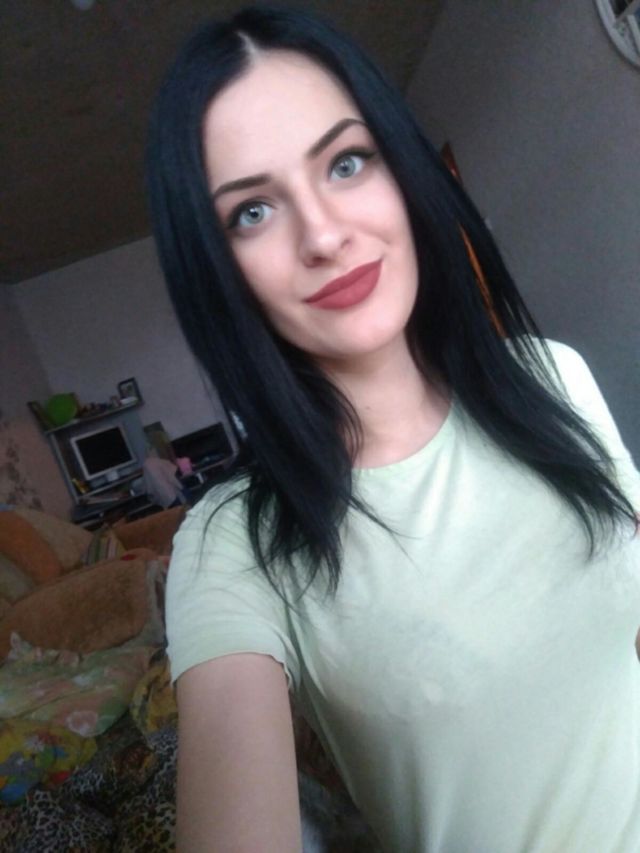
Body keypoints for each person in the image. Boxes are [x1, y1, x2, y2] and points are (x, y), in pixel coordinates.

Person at [146, 6, 640, 852]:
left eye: (346, 162)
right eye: (252, 212)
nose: (324, 234)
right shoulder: (231, 544)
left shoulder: (550, 373)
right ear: (215, 269)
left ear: (402, 169)